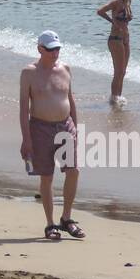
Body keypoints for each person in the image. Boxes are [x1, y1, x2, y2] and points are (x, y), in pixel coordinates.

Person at [19, 30, 84, 241]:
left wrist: (77, 128)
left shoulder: (65, 69)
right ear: (40, 49)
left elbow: (70, 99)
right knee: (46, 177)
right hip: (40, 128)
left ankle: (67, 218)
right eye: (50, 50)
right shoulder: (28, 73)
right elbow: (23, 108)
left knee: (73, 171)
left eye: (57, 49)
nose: (55, 53)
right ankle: (50, 224)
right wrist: (26, 139)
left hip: (66, 126)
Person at [97, 0, 137, 107]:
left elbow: (125, 19)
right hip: (115, 39)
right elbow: (100, 11)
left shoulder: (128, 2)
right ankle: (114, 98)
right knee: (118, 71)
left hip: (125, 40)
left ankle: (118, 97)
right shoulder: (116, 1)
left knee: (123, 71)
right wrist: (112, 21)